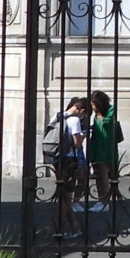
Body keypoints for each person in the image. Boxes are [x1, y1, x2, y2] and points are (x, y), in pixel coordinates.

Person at [47, 95, 90, 232]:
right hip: (69, 158)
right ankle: (60, 226)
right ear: (80, 109)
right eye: (84, 113)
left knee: (62, 193)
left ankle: (72, 224)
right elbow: (77, 144)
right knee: (67, 194)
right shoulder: (74, 120)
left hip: (56, 156)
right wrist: (84, 134)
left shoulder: (58, 116)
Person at [86, 90, 123, 209]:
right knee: (98, 174)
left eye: (93, 103)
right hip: (96, 145)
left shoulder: (110, 110)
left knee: (104, 174)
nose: (92, 106)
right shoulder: (95, 114)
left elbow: (107, 122)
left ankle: (105, 201)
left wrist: (99, 113)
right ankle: (101, 199)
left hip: (107, 146)